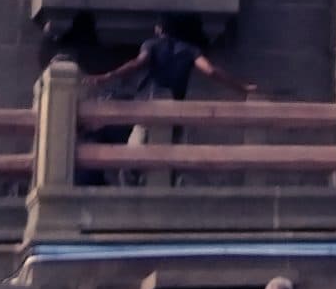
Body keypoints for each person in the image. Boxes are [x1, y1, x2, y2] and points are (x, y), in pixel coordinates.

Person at [88, 16, 259, 182]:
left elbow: (137, 63)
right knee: (172, 156)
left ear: (159, 29)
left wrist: (107, 76)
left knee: (133, 155)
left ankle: (133, 186)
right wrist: (241, 87)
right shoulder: (190, 50)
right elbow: (211, 71)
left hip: (149, 108)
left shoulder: (152, 44)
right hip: (175, 112)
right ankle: (167, 187)